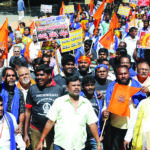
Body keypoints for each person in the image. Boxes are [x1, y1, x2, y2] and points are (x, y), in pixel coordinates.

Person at [36, 76, 101, 150]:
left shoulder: (86, 103)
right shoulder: (59, 102)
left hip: (79, 146)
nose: (76, 87)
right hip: (60, 145)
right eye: (73, 85)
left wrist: (98, 143)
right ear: (67, 88)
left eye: (78, 85)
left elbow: (92, 124)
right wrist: (41, 140)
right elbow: (50, 122)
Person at [105, 65, 146, 150]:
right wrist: (105, 111)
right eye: (120, 74)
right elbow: (107, 103)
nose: (123, 76)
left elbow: (143, 103)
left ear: (129, 74)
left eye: (125, 73)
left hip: (133, 125)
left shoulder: (136, 86)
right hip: (117, 124)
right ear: (116, 75)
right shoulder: (112, 86)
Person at [24, 64, 63, 150]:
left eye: (42, 75)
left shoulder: (59, 89)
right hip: (36, 128)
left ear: (49, 75)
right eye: (37, 75)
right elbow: (28, 111)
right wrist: (26, 133)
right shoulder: (32, 89)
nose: (38, 77)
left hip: (53, 129)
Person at [81, 75, 103, 150]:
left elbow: (102, 117)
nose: (90, 87)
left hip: (95, 137)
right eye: (87, 85)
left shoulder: (99, 98)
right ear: (83, 87)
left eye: (92, 85)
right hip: (81, 136)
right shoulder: (79, 98)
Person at [1, 67, 25, 133]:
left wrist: (20, 125)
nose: (11, 77)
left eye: (13, 75)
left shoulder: (19, 93)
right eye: (8, 76)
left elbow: (22, 111)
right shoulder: (0, 90)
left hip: (13, 126)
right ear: (3, 78)